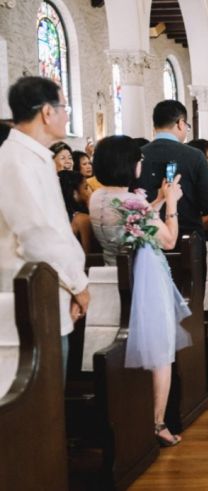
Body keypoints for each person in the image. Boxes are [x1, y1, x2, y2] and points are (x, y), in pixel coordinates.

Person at [88, 135, 188, 447]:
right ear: (126, 164)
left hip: (116, 278)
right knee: (162, 351)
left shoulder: (98, 197)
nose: (141, 164)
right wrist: (171, 202)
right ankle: (158, 423)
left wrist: (154, 201)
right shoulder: (133, 201)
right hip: (147, 281)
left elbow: (135, 224)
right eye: (138, 160)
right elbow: (168, 240)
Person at [0, 76, 89, 377]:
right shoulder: (16, 161)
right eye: (64, 106)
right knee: (41, 408)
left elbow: (57, 229)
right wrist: (78, 285)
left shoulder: (36, 159)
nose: (67, 114)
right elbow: (36, 236)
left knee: (52, 401)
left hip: (51, 292)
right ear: (47, 112)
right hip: (30, 301)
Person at [133, 100, 208, 240]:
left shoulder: (135, 155)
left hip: (146, 236)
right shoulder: (194, 156)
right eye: (187, 125)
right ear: (180, 123)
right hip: (188, 237)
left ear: (155, 125)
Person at [57, 170, 92, 252]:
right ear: (74, 194)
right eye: (85, 188)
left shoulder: (55, 216)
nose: (89, 191)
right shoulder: (83, 219)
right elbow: (88, 256)